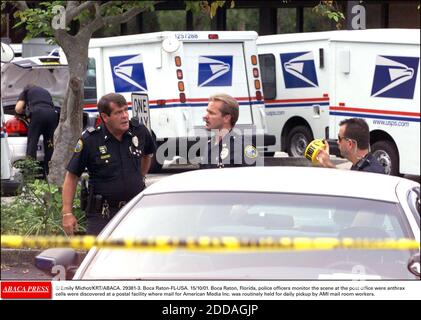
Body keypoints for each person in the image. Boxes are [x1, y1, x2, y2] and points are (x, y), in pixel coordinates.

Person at [62, 93, 156, 235]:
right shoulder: (90, 140)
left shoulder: (139, 131)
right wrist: (67, 213)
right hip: (103, 215)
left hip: (134, 210)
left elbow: (147, 155)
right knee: (99, 256)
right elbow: (72, 176)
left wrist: (140, 176)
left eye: (126, 110)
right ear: (105, 117)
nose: (125, 116)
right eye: (118, 112)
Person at [200, 93, 259, 169]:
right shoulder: (209, 145)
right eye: (207, 112)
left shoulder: (244, 147)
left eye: (211, 113)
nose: (205, 116)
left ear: (227, 118)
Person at [15, 84, 58, 175]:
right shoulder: (46, 92)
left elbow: (18, 109)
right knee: (50, 144)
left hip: (38, 114)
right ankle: (49, 172)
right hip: (52, 115)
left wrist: (26, 113)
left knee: (32, 142)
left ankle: (30, 173)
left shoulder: (26, 91)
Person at [316, 118, 385, 174]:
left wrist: (328, 164)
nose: (337, 142)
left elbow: (348, 186)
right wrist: (327, 164)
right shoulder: (363, 164)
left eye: (339, 138)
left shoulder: (369, 174)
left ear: (350, 144)